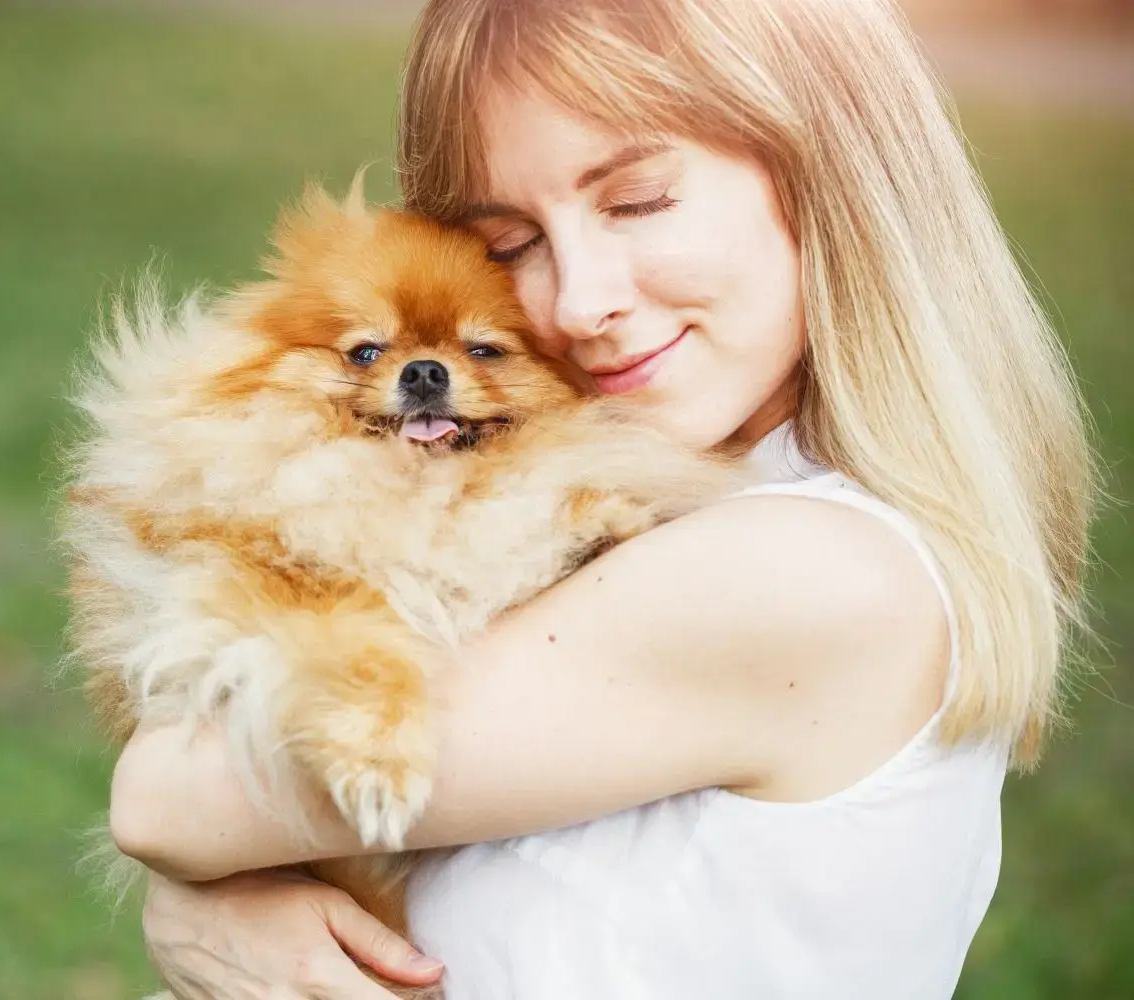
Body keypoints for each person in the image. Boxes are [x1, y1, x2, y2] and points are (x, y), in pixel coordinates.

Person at [106, 0, 1098, 997]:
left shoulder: (811, 575)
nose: (580, 300)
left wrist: (203, 899)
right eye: (514, 242)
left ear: (829, 172)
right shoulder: (723, 505)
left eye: (637, 201)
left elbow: (167, 800)